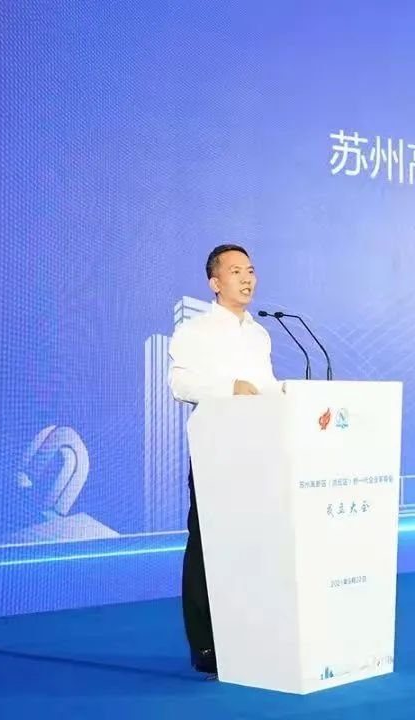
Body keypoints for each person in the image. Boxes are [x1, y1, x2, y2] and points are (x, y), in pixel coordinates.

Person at [167, 244, 277, 675]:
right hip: (216, 449)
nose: (247, 278)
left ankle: (248, 633)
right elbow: (180, 384)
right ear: (215, 283)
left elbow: (265, 386)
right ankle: (206, 644)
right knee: (207, 543)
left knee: (252, 543)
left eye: (250, 270)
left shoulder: (259, 333)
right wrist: (229, 388)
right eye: (236, 271)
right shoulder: (195, 331)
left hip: (259, 450)